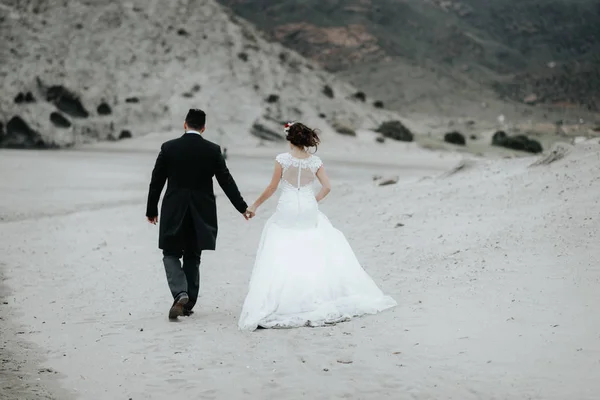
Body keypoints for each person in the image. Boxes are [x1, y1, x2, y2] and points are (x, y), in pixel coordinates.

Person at [238, 122, 397, 330]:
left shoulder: (282, 160)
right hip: (308, 207)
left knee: (283, 246)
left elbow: (272, 187)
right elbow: (327, 187)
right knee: (311, 247)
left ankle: (285, 297)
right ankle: (316, 293)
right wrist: (313, 201)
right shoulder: (315, 162)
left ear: (289, 139)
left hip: (287, 208)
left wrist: (254, 205)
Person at [146, 109, 254, 320]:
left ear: (185, 124)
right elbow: (226, 181)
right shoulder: (213, 150)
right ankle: (187, 304)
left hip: (174, 210)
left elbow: (156, 181)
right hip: (201, 212)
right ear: (203, 128)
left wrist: (152, 209)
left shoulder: (169, 148)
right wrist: (242, 207)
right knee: (193, 256)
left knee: (170, 253)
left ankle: (180, 293)